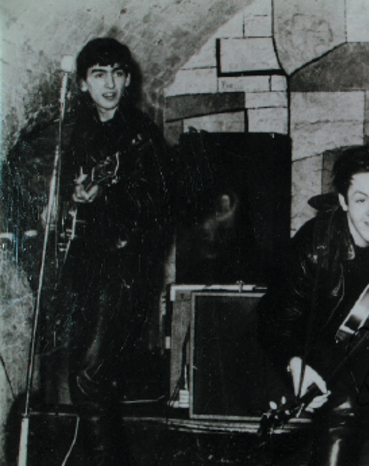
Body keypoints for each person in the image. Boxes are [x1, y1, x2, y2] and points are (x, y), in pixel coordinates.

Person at [258, 146, 369, 465]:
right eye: (360, 200)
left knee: (359, 420)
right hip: (305, 338)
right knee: (338, 421)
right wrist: (295, 362)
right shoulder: (313, 247)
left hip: (357, 334)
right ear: (343, 201)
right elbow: (274, 319)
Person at [57, 37, 169, 465]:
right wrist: (71, 196)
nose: (109, 84)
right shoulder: (80, 130)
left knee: (89, 377)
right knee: (86, 378)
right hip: (85, 266)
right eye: (99, 75)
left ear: (127, 80)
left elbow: (158, 206)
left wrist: (108, 195)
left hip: (123, 269)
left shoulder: (142, 135)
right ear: (83, 83)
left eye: (117, 74)